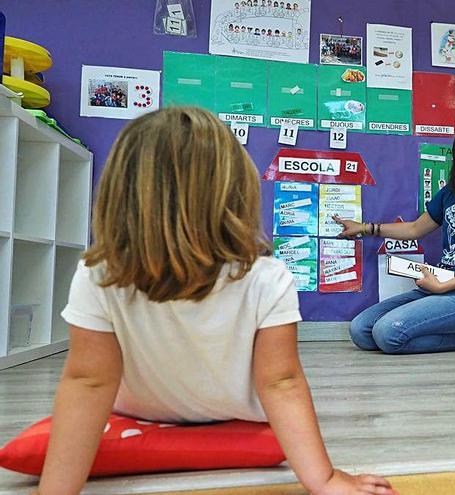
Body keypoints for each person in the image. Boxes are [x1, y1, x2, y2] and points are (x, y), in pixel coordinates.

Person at [36, 107, 397, 495]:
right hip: (239, 416)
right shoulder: (266, 277)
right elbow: (280, 382)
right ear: (235, 193)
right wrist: (323, 480)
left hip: (138, 411)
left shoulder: (99, 274)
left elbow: (89, 382)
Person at [336, 118, 455, 354]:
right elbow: (415, 229)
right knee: (361, 331)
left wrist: (444, 286)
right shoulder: (451, 194)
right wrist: (366, 228)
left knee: (388, 334)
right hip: (441, 284)